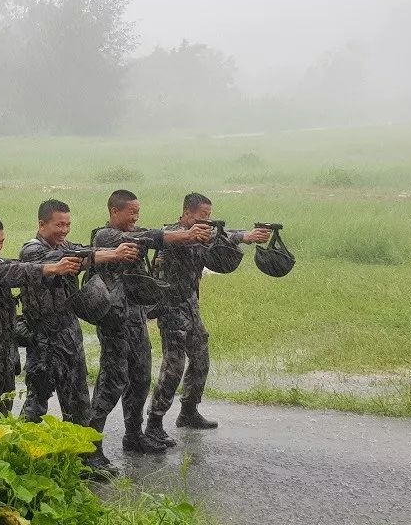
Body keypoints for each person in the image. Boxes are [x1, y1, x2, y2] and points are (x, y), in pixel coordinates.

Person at [87, 190, 212, 470]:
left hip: (136, 317)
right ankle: (90, 447)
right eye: (130, 212)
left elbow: (153, 234)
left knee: (140, 378)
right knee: (112, 382)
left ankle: (134, 435)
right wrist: (188, 235)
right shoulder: (105, 237)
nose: (135, 217)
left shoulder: (134, 232)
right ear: (113, 211)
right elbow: (158, 237)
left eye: (137, 212)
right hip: (114, 321)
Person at [145, 193, 270, 445]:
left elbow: (218, 235)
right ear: (187, 213)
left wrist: (246, 235)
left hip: (190, 305)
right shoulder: (174, 233)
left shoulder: (201, 233)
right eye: (203, 216)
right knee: (173, 366)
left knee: (201, 356)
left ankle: (189, 411)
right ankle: (154, 422)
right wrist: (242, 236)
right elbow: (194, 238)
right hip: (171, 308)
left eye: (209, 217)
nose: (207, 222)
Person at [18, 199, 139, 427]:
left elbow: (85, 251)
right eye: (59, 225)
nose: (64, 230)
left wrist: (114, 252)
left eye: (67, 225)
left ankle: (83, 457)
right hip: (44, 340)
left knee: (78, 403)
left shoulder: (64, 245)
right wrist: (113, 254)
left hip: (69, 334)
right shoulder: (32, 251)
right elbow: (73, 259)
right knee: (37, 404)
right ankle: (20, 453)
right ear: (42, 224)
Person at [0, 213, 82, 414]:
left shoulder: (0, 263)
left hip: (5, 362)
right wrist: (52, 268)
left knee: (2, 425)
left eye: (1, 242)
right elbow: (10, 274)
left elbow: (16, 267)